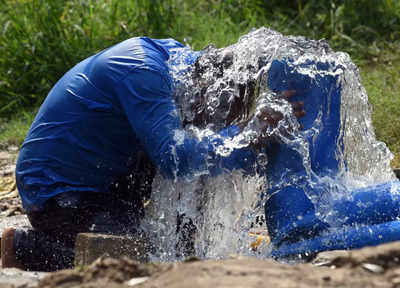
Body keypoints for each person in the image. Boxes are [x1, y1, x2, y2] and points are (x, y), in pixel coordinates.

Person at [1, 37, 304, 271]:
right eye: (217, 117)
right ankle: (24, 247)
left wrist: (264, 142)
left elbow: (215, 156)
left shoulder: (182, 68)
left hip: (111, 178)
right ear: (208, 91)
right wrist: (248, 136)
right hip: (58, 189)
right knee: (140, 260)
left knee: (176, 246)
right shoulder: (142, 70)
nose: (216, 126)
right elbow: (176, 160)